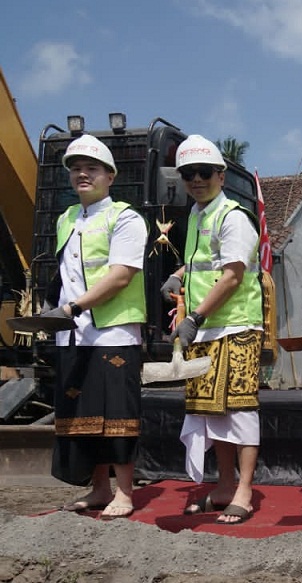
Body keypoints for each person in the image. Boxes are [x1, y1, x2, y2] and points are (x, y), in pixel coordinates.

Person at [160, 134, 263, 525]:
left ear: (220, 175)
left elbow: (233, 276)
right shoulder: (198, 215)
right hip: (206, 329)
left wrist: (194, 317)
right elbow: (205, 262)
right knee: (211, 412)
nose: (196, 180)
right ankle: (223, 485)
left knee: (239, 408)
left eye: (203, 173)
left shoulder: (233, 216)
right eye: (188, 174)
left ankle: (244, 491)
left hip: (235, 327)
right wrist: (178, 273)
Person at [44, 134, 148, 520]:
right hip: (72, 331)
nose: (82, 174)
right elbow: (64, 272)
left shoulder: (125, 218)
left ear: (110, 176)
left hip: (112, 331)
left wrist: (74, 306)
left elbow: (121, 276)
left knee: (117, 412)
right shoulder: (66, 218)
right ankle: (99, 487)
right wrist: (51, 308)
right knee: (82, 410)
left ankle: (125, 491)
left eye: (91, 168)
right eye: (75, 169)